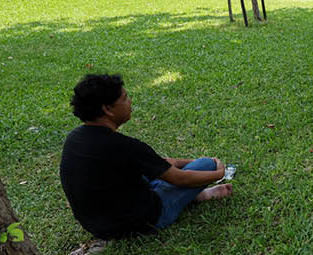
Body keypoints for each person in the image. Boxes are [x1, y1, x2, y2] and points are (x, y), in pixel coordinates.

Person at [59, 74, 232, 239]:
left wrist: (188, 162)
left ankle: (193, 195)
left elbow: (161, 163)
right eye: (125, 98)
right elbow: (180, 179)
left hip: (96, 226)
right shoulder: (126, 146)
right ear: (107, 109)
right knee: (205, 165)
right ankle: (191, 196)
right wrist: (219, 173)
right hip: (144, 221)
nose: (130, 102)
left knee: (146, 171)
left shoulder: (74, 137)